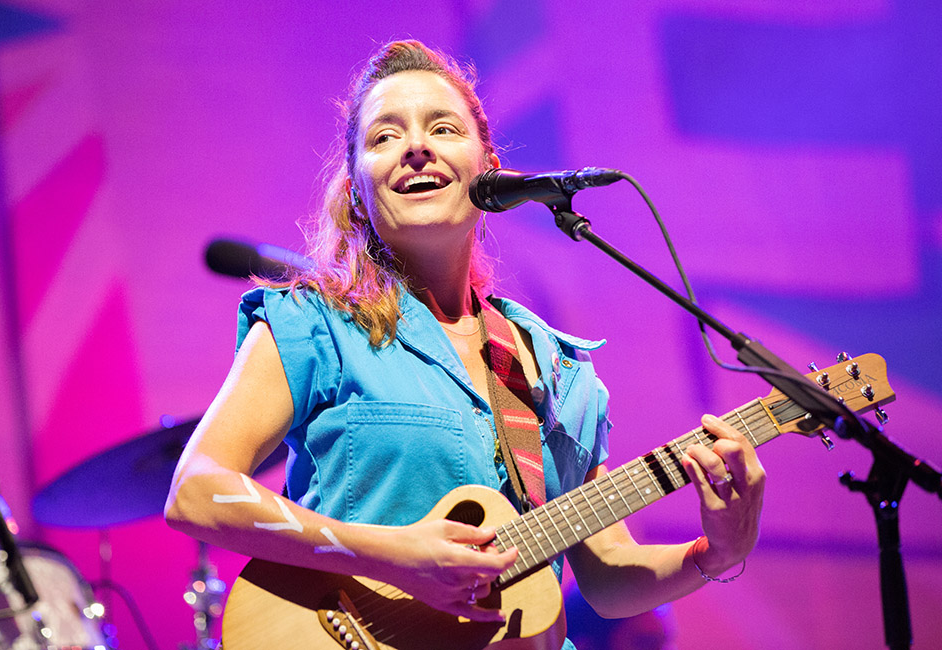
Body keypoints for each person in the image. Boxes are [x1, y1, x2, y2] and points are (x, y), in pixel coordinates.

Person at [165, 40, 765, 649]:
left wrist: (714, 553)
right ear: (356, 191)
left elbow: (607, 577)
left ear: (489, 172)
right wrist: (391, 554)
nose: (416, 147)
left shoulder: (556, 367)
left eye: (443, 128)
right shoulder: (315, 324)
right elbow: (196, 489)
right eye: (384, 137)